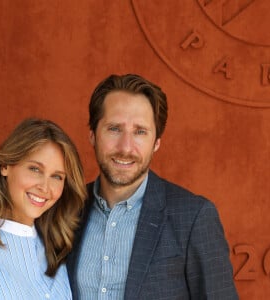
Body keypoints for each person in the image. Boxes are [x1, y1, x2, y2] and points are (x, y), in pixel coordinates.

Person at [67, 74, 239, 299]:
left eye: (140, 132)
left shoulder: (193, 217)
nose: (126, 147)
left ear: (156, 142)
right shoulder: (67, 208)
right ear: (92, 134)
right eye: (114, 129)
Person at [0, 118, 87, 299]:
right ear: (5, 166)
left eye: (57, 176)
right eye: (35, 169)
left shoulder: (59, 251)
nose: (45, 187)